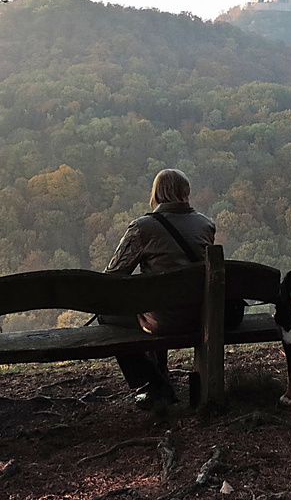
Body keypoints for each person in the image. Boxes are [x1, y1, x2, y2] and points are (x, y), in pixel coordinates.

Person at [102, 168, 241, 406]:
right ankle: (161, 379)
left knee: (106, 316)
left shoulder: (142, 227)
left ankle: (155, 383)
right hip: (204, 315)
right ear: (186, 193)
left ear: (155, 194)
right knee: (161, 304)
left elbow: (113, 277)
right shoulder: (205, 224)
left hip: (163, 320)